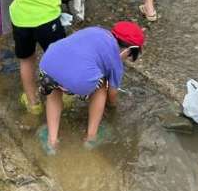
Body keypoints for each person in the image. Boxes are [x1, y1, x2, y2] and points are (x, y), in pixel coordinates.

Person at [38, 21, 145, 154]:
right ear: (127, 50)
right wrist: (112, 107)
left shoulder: (95, 30)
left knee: (54, 91)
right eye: (129, 56)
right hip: (77, 80)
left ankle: (52, 141)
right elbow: (112, 92)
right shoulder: (116, 61)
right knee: (101, 87)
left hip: (48, 62)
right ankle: (91, 138)